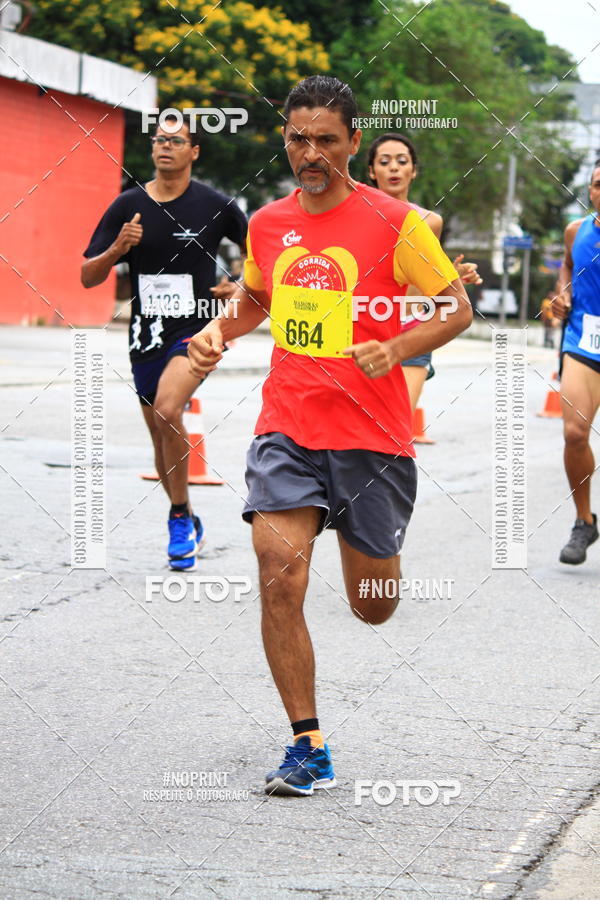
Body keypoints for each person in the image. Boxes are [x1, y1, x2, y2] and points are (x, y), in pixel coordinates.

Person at [188, 76, 472, 795]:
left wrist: (399, 348)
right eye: (297, 138)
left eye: (325, 140)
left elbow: (456, 309)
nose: (309, 153)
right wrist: (220, 328)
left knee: (372, 604)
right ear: (285, 139)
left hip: (373, 438)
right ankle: (307, 744)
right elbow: (257, 296)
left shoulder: (397, 223)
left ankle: (376, 558)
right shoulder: (268, 223)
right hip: (289, 424)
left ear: (353, 142)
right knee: (279, 572)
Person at [81, 112, 247, 570]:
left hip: (197, 330)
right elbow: (87, 277)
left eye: (175, 141)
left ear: (194, 152)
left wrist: (240, 284)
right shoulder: (127, 205)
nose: (164, 147)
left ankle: (176, 517)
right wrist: (118, 249)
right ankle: (188, 514)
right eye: (159, 140)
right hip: (145, 334)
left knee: (169, 410)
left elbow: (263, 256)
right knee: (159, 430)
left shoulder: (216, 204)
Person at [367, 133, 481, 410]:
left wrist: (452, 273)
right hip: (366, 327)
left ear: (413, 171)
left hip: (411, 330)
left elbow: (426, 274)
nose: (394, 167)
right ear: (371, 171)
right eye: (384, 161)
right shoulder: (358, 216)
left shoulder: (430, 222)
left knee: (397, 425)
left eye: (402, 161)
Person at [552, 161, 600, 564]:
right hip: (584, 340)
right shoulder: (576, 231)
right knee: (574, 433)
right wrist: (562, 292)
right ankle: (584, 521)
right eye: (598, 185)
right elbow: (568, 264)